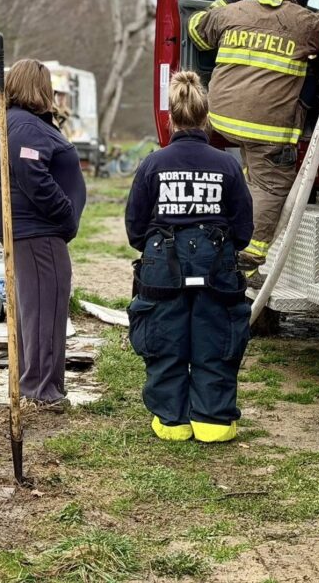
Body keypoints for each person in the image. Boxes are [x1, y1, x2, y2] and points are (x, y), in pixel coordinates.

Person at [125, 71, 254, 443]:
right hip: (216, 268)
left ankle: (172, 421)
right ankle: (213, 422)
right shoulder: (227, 165)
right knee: (216, 339)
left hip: (162, 269)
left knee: (164, 340)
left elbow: (135, 227)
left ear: (172, 117)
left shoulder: (153, 164)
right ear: (206, 116)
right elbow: (243, 228)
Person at [186, 0, 319, 282]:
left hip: (221, 118)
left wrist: (219, 4)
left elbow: (195, 30)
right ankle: (247, 258)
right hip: (267, 129)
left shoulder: (232, 12)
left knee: (250, 171)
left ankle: (222, 225)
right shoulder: (304, 22)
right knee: (271, 185)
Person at [0, 59, 86, 412]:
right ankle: (41, 389)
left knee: (34, 310)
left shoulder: (16, 123)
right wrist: (65, 212)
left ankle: (33, 382)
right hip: (38, 232)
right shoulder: (26, 127)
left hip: (32, 232)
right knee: (45, 310)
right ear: (39, 87)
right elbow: (33, 176)